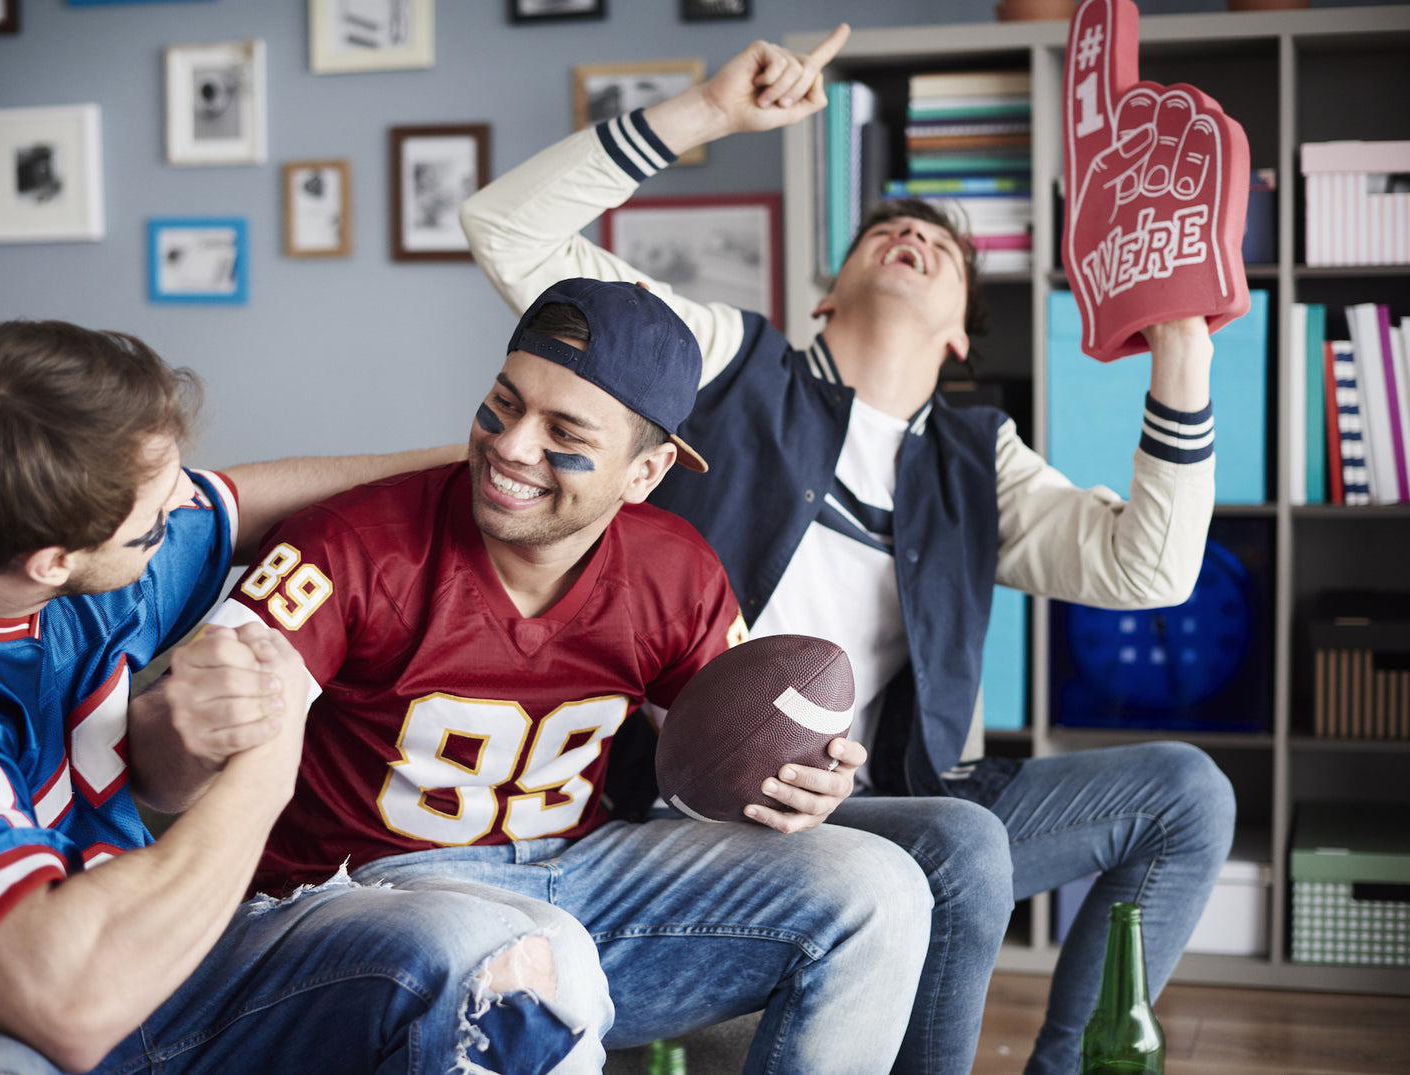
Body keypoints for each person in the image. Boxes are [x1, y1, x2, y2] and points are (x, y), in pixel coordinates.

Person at [460, 27, 1237, 1075]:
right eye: (885, 231)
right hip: (706, 797)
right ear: (824, 291)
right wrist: (706, 113)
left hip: (895, 794)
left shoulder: (980, 458)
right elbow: (506, 227)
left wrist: (1180, 343)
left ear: (964, 328)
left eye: (943, 246)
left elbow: (1148, 570)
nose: (912, 237)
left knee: (1187, 792)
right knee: (962, 846)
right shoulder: (731, 364)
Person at [0, 319, 603, 1075]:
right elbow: (68, 1000)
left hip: (176, 951)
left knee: (474, 940)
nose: (178, 515)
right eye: (152, 525)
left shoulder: (13, 513)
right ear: (50, 562)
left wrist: (493, 471)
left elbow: (240, 502)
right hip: (16, 1014)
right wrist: (267, 757)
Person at [209, 277, 935, 1073]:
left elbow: (719, 756)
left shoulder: (674, 567)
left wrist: (789, 786)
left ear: (645, 472)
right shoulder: (352, 542)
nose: (512, 445)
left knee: (883, 887)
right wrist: (188, 722)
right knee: (547, 957)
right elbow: (191, 750)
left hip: (577, 867)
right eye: (504, 403)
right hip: (369, 898)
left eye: (563, 429)